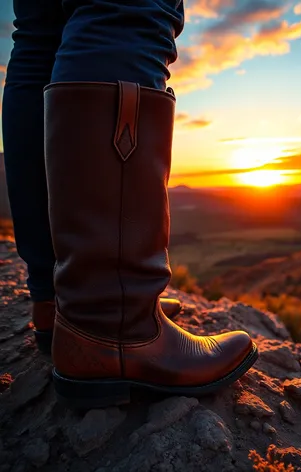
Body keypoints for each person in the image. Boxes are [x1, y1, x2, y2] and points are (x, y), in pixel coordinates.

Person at [2, 0, 258, 409]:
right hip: (111, 326)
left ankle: (60, 301)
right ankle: (114, 327)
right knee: (127, 9)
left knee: (41, 34)